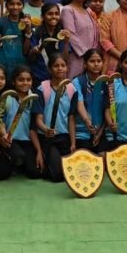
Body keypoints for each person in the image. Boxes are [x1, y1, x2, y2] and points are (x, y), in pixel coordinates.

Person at [32, 53, 78, 182]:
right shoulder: (42, 88)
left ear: (67, 67)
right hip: (47, 138)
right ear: (49, 69)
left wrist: (73, 143)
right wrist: (46, 129)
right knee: (57, 176)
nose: (60, 68)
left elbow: (71, 118)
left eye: (63, 65)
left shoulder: (72, 90)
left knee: (72, 172)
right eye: (56, 66)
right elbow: (38, 119)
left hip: (64, 137)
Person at [0, 65, 43, 179]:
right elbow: (1, 121)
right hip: (10, 140)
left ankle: (21, 163)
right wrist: (4, 135)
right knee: (3, 174)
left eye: (28, 80)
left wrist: (39, 151)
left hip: (27, 141)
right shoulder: (7, 97)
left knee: (35, 173)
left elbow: (33, 128)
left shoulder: (34, 98)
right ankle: (12, 160)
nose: (25, 83)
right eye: (21, 80)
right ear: (13, 82)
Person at [60, 0, 99, 78]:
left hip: (92, 59)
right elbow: (71, 35)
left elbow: (95, 34)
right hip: (77, 57)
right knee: (75, 84)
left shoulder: (89, 10)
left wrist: (93, 54)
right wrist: (87, 54)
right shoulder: (67, 10)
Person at [73, 49, 107, 152]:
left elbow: (107, 110)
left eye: (99, 61)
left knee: (103, 158)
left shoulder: (106, 82)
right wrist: (87, 121)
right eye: (92, 61)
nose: (96, 64)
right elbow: (79, 103)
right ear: (85, 64)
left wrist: (100, 133)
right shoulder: (77, 81)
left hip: (101, 133)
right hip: (81, 133)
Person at [25, 3, 67, 83]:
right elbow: (30, 58)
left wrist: (66, 42)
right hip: (39, 77)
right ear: (42, 17)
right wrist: (33, 51)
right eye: (50, 14)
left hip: (58, 78)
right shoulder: (36, 33)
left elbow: (65, 58)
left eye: (56, 14)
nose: (54, 16)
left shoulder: (62, 33)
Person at [0, 0, 27, 78]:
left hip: (20, 66)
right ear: (6, 6)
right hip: (0, 65)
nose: (15, 7)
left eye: (18, 4)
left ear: (23, 6)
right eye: (12, 4)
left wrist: (28, 30)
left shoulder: (26, 23)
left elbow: (26, 50)